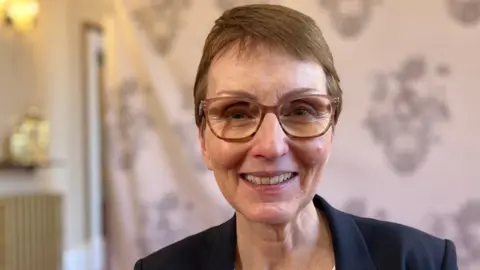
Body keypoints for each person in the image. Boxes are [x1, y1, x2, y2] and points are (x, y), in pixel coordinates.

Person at [134, 4, 458, 270]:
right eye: (237, 113)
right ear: (204, 142)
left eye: (301, 111)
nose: (270, 147)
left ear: (330, 132)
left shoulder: (422, 262)